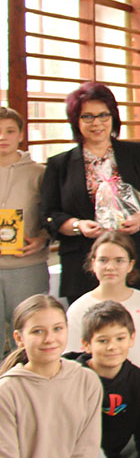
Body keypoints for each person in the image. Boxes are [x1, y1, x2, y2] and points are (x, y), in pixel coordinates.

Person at [0, 294, 140, 458]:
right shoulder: (7, 391)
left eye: (57, 329)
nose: (49, 339)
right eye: (37, 331)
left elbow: (83, 456)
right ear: (19, 338)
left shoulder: (85, 380)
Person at [41, 81, 140, 301]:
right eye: (87, 117)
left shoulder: (135, 153)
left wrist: (139, 220)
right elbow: (49, 215)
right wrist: (78, 226)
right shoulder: (59, 164)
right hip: (82, 263)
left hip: (134, 259)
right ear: (76, 121)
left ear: (113, 117)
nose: (96, 123)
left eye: (103, 115)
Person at [66, 231, 140, 392]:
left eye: (119, 260)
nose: (110, 267)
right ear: (93, 263)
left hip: (137, 392)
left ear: (130, 265)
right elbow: (72, 360)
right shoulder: (79, 308)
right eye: (103, 260)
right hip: (93, 393)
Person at [73, 300, 140, 458]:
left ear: (132, 338)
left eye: (120, 338)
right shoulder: (74, 376)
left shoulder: (137, 380)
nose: (112, 347)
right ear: (86, 344)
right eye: (103, 340)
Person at [0, 107, 50, 351]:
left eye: (10, 131)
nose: (3, 137)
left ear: (21, 135)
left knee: (29, 336)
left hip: (27, 266)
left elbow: (52, 217)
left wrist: (42, 240)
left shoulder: (39, 173)